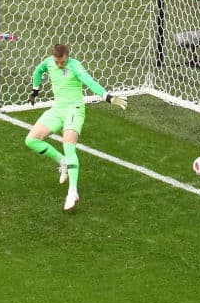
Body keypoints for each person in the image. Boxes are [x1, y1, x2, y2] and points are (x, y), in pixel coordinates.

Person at [25, 44, 128, 211]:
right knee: (31, 140)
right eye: (57, 62)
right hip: (58, 109)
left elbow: (90, 82)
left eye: (63, 62)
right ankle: (63, 162)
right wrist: (35, 91)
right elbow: (38, 70)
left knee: (68, 146)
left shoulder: (75, 66)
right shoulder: (48, 63)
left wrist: (108, 97)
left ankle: (72, 191)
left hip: (75, 110)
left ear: (68, 57)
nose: (60, 65)